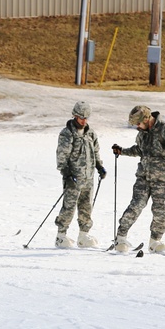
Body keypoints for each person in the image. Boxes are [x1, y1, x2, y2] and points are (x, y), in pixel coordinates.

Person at [111, 105, 165, 253]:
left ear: (146, 119)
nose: (137, 127)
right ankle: (120, 238)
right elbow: (139, 149)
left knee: (160, 210)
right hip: (144, 176)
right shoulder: (142, 133)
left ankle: (155, 241)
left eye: (138, 123)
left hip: (162, 178)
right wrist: (122, 151)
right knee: (136, 205)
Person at [54, 100, 106, 248]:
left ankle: (83, 236)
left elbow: (95, 152)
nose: (84, 120)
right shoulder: (67, 134)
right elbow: (61, 156)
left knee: (86, 207)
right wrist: (66, 173)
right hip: (73, 178)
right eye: (81, 117)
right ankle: (61, 236)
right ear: (75, 116)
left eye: (86, 118)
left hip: (88, 178)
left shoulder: (90, 133)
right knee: (69, 207)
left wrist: (100, 167)